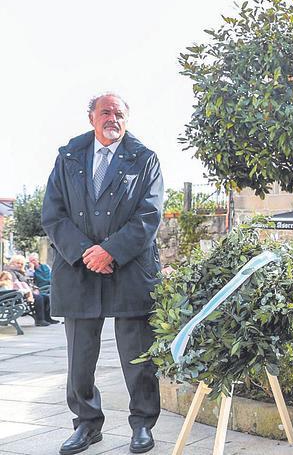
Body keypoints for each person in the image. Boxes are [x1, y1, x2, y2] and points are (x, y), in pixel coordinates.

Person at [42, 92, 164, 455]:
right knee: (79, 359)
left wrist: (110, 250)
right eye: (106, 112)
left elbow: (149, 215)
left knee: (138, 358)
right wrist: (85, 253)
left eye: (120, 113)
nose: (113, 118)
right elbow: (53, 213)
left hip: (129, 269)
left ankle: (142, 425)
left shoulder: (145, 159)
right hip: (78, 269)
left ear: (128, 118)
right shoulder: (67, 158)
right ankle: (86, 425)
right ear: (91, 117)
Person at [4, 254, 54, 326]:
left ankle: (47, 318)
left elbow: (29, 283)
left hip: (26, 291)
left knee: (45, 297)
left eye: (22, 264)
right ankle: (39, 320)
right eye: (18, 263)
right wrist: (31, 291)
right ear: (12, 262)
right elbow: (16, 284)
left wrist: (35, 288)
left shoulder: (20, 271)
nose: (20, 265)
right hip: (17, 293)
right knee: (39, 297)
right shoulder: (10, 271)